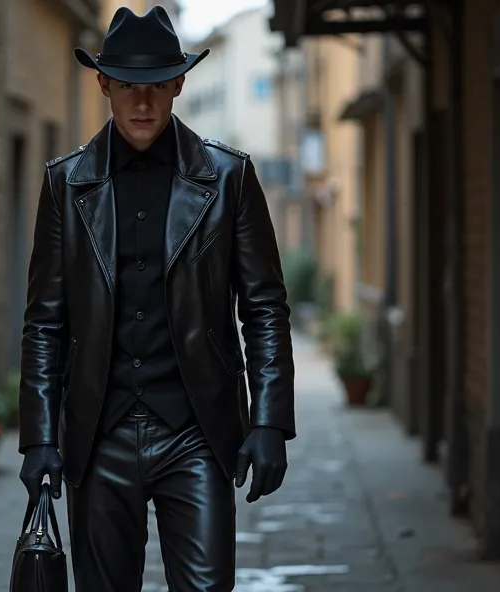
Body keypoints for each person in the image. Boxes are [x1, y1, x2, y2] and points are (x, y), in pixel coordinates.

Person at [17, 5, 295, 591]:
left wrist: (270, 422)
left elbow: (264, 306)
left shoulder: (228, 178)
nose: (141, 103)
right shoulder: (65, 184)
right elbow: (45, 321)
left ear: (178, 83)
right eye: (127, 87)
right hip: (99, 436)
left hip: (195, 433)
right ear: (104, 85)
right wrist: (41, 437)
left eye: (154, 86)